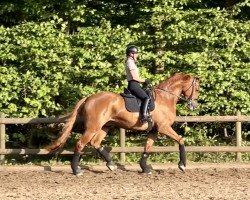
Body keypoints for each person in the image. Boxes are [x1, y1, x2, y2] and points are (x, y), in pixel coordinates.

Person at [125, 45, 151, 123]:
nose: (137, 55)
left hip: (135, 84)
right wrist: (145, 80)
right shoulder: (130, 63)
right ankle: (143, 116)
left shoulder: (131, 62)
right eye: (136, 53)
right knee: (146, 97)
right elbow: (135, 77)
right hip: (133, 85)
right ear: (131, 54)